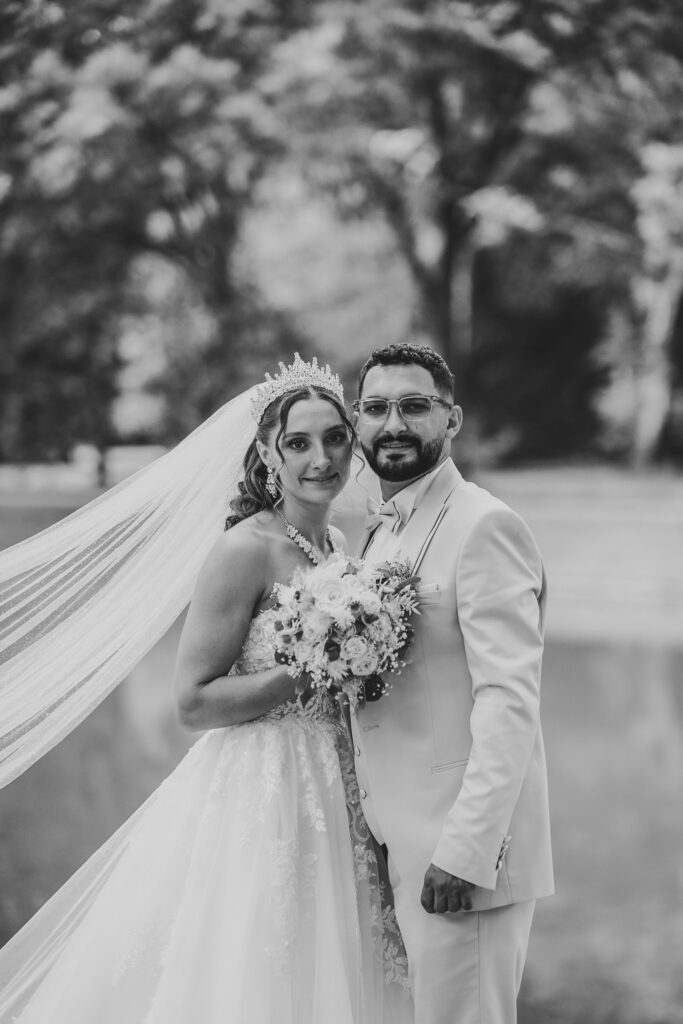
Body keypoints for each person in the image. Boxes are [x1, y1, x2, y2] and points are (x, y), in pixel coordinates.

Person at [0, 355, 412, 1023]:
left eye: (335, 438)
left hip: (334, 785)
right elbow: (192, 702)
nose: (321, 459)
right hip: (264, 789)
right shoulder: (243, 550)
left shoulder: (337, 543)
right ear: (268, 454)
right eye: (298, 443)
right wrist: (311, 668)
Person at [350, 344, 553, 1024]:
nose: (393, 424)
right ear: (357, 420)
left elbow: (509, 701)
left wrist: (466, 852)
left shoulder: (484, 525)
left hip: (461, 859)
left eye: (414, 406)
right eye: (376, 408)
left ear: (452, 419)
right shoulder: (379, 533)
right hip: (398, 839)